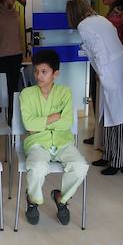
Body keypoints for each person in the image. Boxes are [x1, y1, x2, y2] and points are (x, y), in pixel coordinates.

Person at [66, 0, 123, 176]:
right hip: (118, 68)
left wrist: (102, 74)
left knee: (118, 117)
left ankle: (119, 160)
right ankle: (110, 154)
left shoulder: (84, 26)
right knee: (109, 114)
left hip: (111, 71)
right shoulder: (100, 19)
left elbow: (99, 51)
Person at [19, 49, 89, 226]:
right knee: (37, 167)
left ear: (55, 73)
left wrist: (40, 124)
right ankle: (32, 201)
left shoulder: (65, 92)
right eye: (36, 71)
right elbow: (28, 125)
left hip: (62, 141)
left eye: (44, 71)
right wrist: (53, 117)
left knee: (80, 167)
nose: (38, 76)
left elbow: (66, 122)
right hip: (37, 143)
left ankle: (61, 198)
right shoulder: (27, 94)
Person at [86, 0, 123, 150]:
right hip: (113, 67)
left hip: (113, 69)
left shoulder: (116, 16)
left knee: (111, 108)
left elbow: (106, 45)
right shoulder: (114, 13)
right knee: (106, 107)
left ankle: (112, 151)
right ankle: (103, 142)